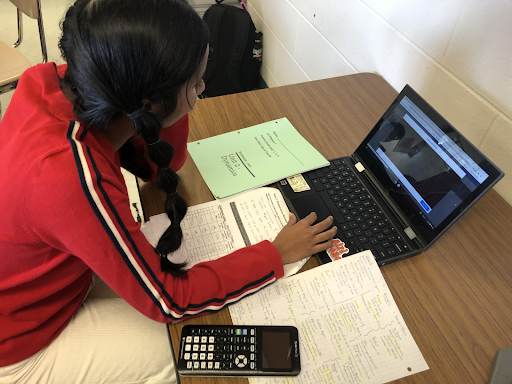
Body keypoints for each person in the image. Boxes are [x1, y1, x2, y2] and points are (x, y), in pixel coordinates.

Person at [0, 0, 337, 382]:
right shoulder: (69, 176)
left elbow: (162, 163)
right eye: (197, 85)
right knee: (189, 349)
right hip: (21, 345)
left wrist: (173, 96)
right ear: (148, 101)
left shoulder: (63, 81)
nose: (202, 92)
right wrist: (275, 254)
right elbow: (169, 301)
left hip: (48, 285)